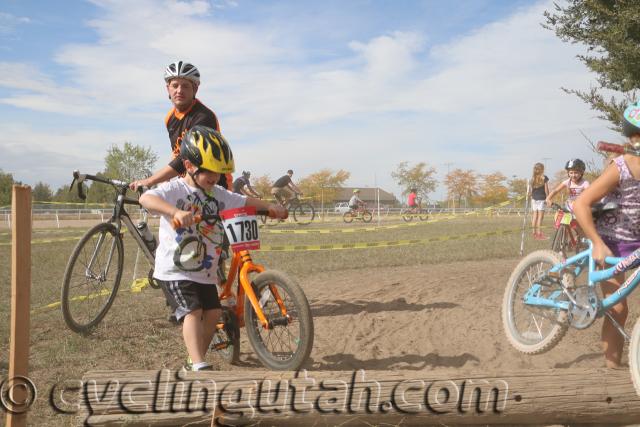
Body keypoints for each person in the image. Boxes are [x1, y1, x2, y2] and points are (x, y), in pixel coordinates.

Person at [139, 126, 286, 371]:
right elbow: (146, 199)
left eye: (219, 173)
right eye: (209, 172)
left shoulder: (217, 192)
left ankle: (195, 357)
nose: (214, 178)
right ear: (189, 165)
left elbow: (245, 201)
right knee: (193, 311)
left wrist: (270, 207)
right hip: (175, 268)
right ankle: (198, 364)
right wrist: (175, 212)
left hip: (204, 269)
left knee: (214, 313)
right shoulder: (175, 189)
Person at [573, 100, 640, 369]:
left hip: (637, 242)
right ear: (633, 137)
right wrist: (597, 243)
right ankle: (611, 370)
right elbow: (581, 203)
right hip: (611, 242)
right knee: (618, 308)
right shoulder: (620, 167)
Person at [130, 60, 231, 191]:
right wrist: (166, 180)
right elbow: (177, 152)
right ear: (168, 88)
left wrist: (150, 181)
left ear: (195, 89)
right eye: (175, 85)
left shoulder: (204, 117)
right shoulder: (169, 118)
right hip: (189, 184)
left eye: (185, 86)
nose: (179, 90)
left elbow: (188, 158)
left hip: (214, 186)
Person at [528, 163, 549, 240]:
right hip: (541, 199)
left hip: (534, 199)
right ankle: (539, 234)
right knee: (540, 217)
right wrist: (548, 197)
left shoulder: (532, 178)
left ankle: (534, 233)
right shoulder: (544, 178)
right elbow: (546, 189)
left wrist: (530, 195)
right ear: (542, 169)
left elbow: (530, 191)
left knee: (534, 216)